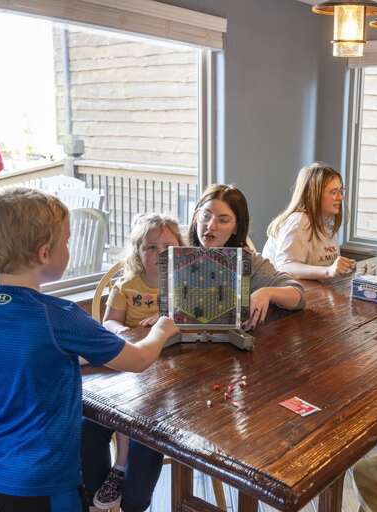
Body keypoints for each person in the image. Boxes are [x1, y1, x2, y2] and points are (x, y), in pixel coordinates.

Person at [83, 184, 305, 511]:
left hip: (201, 380)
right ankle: (99, 495)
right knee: (90, 425)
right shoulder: (174, 254)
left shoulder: (246, 262)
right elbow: (125, 313)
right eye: (205, 215)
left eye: (223, 220)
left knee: (146, 433)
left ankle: (133, 502)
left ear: (237, 226)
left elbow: (298, 294)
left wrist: (267, 292)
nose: (210, 226)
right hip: (147, 367)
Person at [0, 188, 179, 512]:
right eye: (66, 241)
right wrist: (161, 330)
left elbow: (26, 355)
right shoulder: (61, 316)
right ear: (45, 253)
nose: (68, 248)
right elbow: (139, 359)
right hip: (41, 479)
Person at [90, 214, 184, 510]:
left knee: (146, 411)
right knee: (129, 408)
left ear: (180, 250)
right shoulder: (127, 285)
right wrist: (128, 334)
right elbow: (109, 323)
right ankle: (119, 467)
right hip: (134, 363)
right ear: (138, 251)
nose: (159, 254)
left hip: (175, 366)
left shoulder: (184, 283)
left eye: (167, 247)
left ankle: (122, 469)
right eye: (151, 247)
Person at [263, 162, 355, 280]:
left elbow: (328, 267)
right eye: (333, 192)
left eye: (341, 191)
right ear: (313, 194)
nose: (340, 197)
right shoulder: (298, 220)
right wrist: (328, 271)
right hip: (279, 292)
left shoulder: (327, 221)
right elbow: (285, 267)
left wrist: (343, 267)